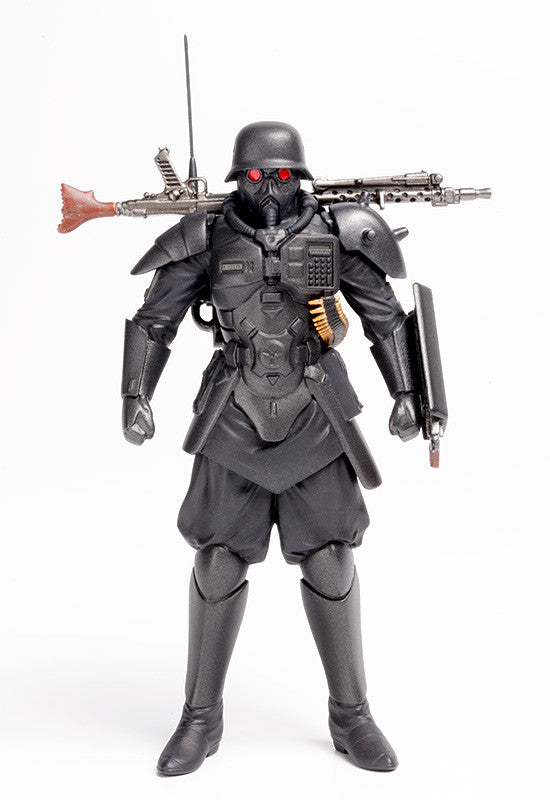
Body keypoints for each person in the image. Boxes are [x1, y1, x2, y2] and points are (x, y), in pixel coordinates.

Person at [121, 121, 423, 775]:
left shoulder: (338, 233)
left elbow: (383, 316)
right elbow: (155, 319)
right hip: (233, 414)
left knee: (331, 561)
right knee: (218, 562)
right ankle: (200, 717)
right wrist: (135, 394)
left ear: (300, 177)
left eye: (282, 175)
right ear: (239, 178)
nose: (270, 187)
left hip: (317, 412)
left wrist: (407, 393)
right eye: (258, 175)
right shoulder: (206, 236)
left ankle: (351, 715)